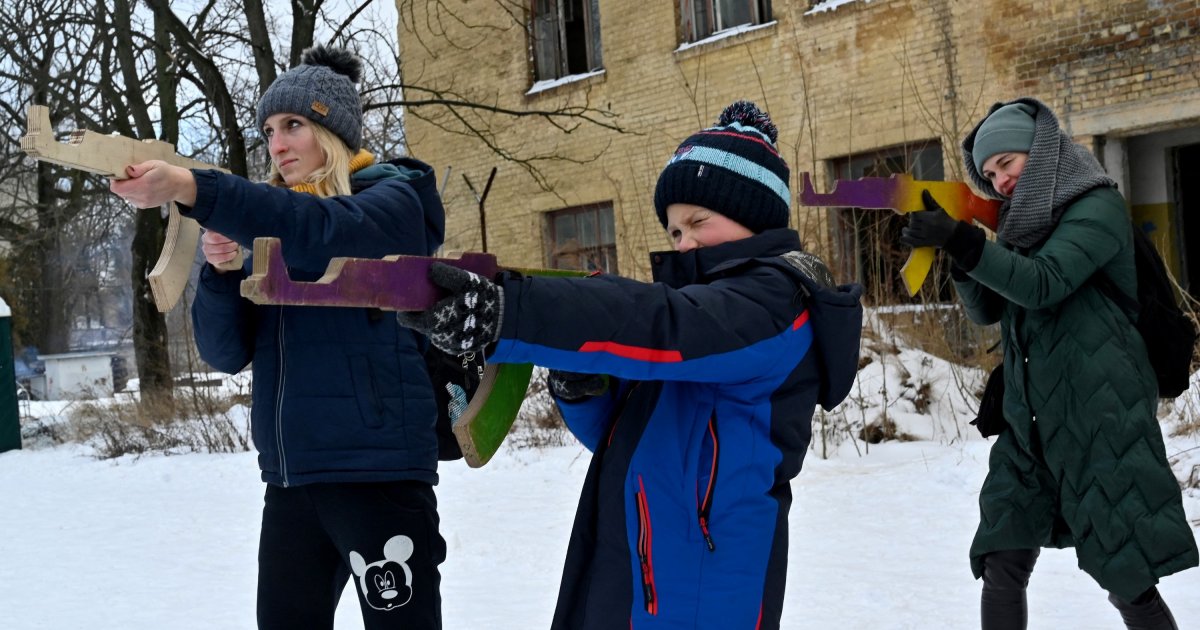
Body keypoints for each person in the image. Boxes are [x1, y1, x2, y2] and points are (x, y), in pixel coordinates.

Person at [397, 101, 863, 629]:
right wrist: (583, 389)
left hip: (701, 582)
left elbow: (659, 323)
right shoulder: (697, 316)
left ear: (753, 220)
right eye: (673, 232)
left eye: (697, 223)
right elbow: (629, 434)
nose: (683, 242)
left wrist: (515, 312)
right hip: (634, 554)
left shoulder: (774, 303)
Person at [110, 45, 448, 630]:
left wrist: (197, 186)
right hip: (292, 482)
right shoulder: (276, 233)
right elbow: (225, 353)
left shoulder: (393, 202)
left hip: (377, 475)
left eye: (294, 125)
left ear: (333, 131)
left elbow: (319, 231)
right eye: (269, 130)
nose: (278, 144)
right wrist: (220, 275)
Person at [900, 97, 1198, 630]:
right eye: (990, 174)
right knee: (1002, 556)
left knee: (1125, 573)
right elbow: (988, 309)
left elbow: (1043, 284)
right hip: (1030, 416)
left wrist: (967, 242)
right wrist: (956, 252)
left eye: (1007, 164)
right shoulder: (1020, 220)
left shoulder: (1095, 205)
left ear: (1042, 152)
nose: (1000, 180)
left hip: (1100, 414)